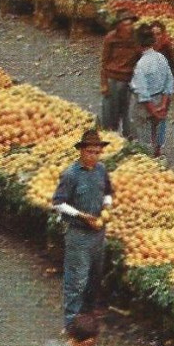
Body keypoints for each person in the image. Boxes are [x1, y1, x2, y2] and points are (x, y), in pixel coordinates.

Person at [52, 129, 115, 327]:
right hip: (78, 235)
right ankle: (71, 322)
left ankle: (87, 319)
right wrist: (81, 216)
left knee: (94, 278)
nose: (94, 156)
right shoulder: (71, 175)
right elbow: (58, 203)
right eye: (90, 152)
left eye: (97, 152)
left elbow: (108, 193)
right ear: (81, 151)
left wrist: (106, 206)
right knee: (76, 281)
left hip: (98, 233)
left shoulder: (101, 170)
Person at [129, 23, 174, 158]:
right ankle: (158, 150)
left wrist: (153, 110)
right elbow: (169, 82)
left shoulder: (141, 65)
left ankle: (146, 156)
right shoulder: (161, 58)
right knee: (159, 126)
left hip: (146, 105)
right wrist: (162, 105)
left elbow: (142, 93)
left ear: (138, 44)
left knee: (142, 129)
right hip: (160, 97)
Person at [99, 9, 140, 137]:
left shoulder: (137, 39)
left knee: (129, 113)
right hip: (113, 79)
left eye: (131, 24)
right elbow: (104, 62)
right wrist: (104, 83)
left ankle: (130, 140)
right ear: (119, 26)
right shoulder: (110, 38)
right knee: (110, 113)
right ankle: (109, 137)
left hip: (130, 80)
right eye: (126, 24)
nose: (129, 27)